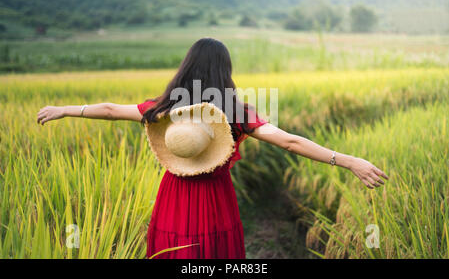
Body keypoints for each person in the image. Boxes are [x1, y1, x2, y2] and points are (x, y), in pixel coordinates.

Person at [37, 38, 388, 259]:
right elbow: (290, 141)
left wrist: (66, 110)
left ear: (186, 67)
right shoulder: (236, 112)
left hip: (173, 194)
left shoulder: (165, 107)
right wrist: (347, 160)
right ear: (225, 70)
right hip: (216, 198)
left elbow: (112, 110)